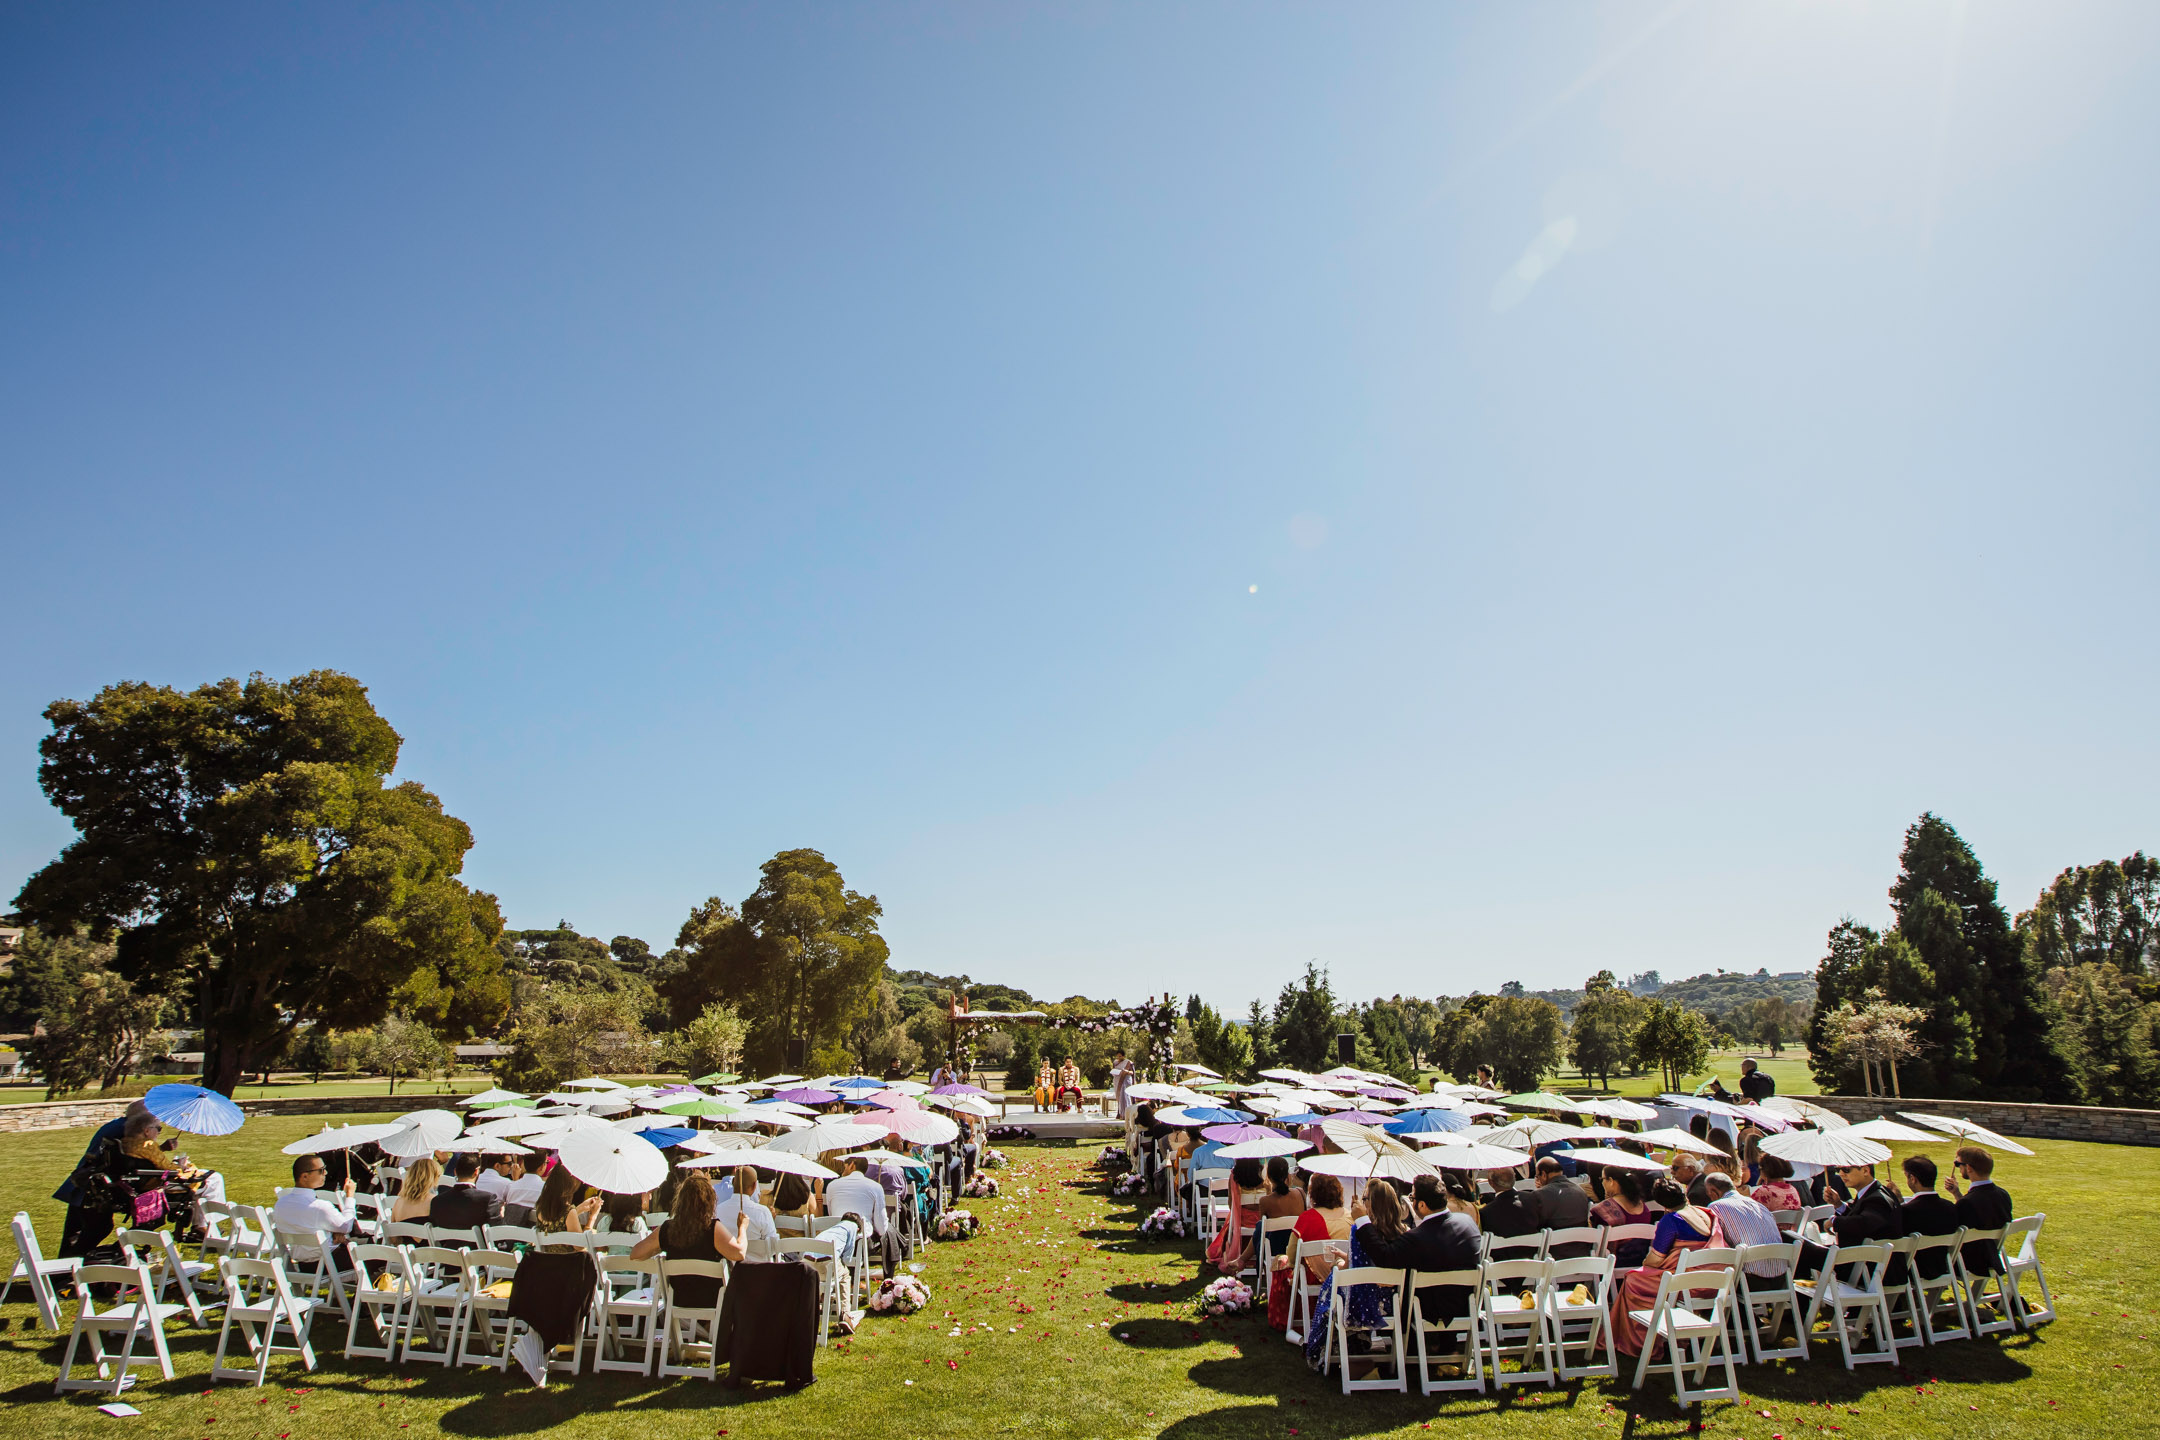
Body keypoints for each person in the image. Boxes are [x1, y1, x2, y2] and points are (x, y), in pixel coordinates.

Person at [1355, 1173, 1481, 1340]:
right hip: (1468, 1305)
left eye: (1412, 1197)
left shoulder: (1417, 1238)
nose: (1411, 1200)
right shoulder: (1468, 1222)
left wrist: (1362, 1221)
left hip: (1428, 1311)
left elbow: (1384, 1258)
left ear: (1421, 1205)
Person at [1610, 1179, 1724, 1357]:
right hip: (1715, 1281)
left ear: (1661, 1203)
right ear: (1684, 1193)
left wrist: (1645, 1264)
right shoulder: (1705, 1214)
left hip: (1686, 1285)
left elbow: (1655, 1259)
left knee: (1633, 1279)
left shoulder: (1672, 1220)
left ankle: (1640, 1343)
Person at [630, 1170, 750, 1306]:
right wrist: (742, 1228)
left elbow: (635, 1254)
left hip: (677, 1302)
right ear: (709, 1201)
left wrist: (658, 1247)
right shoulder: (713, 1228)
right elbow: (739, 1253)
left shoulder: (668, 1228)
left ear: (680, 1200)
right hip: (711, 1303)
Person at [1797, 1161, 1904, 1285]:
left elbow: (1863, 1223)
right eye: (1838, 1170)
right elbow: (1860, 1216)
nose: (1841, 1174)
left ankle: (1799, 1301)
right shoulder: (1876, 1192)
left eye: (1846, 1170)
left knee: (1799, 1247)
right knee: (1801, 1246)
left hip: (1866, 1267)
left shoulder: (1877, 1198)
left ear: (1865, 1171)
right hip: (1862, 1261)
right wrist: (1838, 1204)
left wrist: (1834, 1221)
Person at [1268, 1171, 1351, 1331]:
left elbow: (1291, 1257)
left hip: (1313, 1279)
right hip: (1346, 1276)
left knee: (1281, 1261)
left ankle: (1289, 1318)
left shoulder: (1307, 1218)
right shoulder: (1350, 1217)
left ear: (1313, 1194)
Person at [273, 1153, 359, 1275]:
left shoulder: (281, 1204)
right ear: (305, 1176)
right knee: (377, 1252)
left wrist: (334, 1231)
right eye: (321, 1170)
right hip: (327, 1264)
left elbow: (307, 1224)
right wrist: (350, 1197)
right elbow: (346, 1226)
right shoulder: (320, 1206)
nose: (326, 1173)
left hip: (302, 1265)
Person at [1702, 1173, 1786, 1282]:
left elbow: (1715, 1245)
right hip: (1781, 1276)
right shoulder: (1757, 1204)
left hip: (1751, 1279)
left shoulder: (1716, 1206)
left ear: (1714, 1192)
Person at [1945, 1145, 2013, 1280]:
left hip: (1967, 1261)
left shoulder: (1968, 1202)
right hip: (1991, 1256)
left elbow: (1954, 1228)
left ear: (1969, 1168)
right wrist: (1957, 1194)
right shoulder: (2003, 1194)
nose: (1958, 1168)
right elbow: (1979, 1215)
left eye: (1958, 1164)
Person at [1899, 1154, 1962, 1281]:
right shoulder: (1950, 1207)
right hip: (1942, 1267)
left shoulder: (1907, 1211)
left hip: (1913, 1270)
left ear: (1912, 1178)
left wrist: (1898, 1204)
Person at [826, 1155, 892, 1273]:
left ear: (852, 1165)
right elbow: (881, 1228)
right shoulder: (875, 1187)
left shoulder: (832, 1186)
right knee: (889, 1231)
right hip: (860, 1244)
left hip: (835, 1241)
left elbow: (831, 1215)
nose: (843, 1168)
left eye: (845, 1165)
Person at [1590, 1167, 1656, 1268]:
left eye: (1602, 1179)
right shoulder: (1643, 1207)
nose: (1602, 1183)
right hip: (1640, 1262)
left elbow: (1595, 1241)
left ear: (1611, 1181)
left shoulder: (1600, 1210)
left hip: (1612, 1265)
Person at [713, 1164, 781, 1256]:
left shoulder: (718, 1210)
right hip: (758, 1267)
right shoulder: (762, 1212)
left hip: (727, 1267)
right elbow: (774, 1247)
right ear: (754, 1186)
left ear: (733, 1183)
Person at [428, 1153, 504, 1231]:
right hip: (476, 1243)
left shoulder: (437, 1201)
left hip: (446, 1243)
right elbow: (497, 1233)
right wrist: (501, 1216)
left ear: (455, 1172)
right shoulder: (487, 1200)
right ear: (476, 1171)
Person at [531, 1163, 601, 1245]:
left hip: (544, 1255)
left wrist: (578, 1209)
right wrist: (592, 1217)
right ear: (571, 1185)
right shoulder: (569, 1212)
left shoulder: (541, 1206)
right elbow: (580, 1245)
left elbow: (557, 1224)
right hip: (565, 1257)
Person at [1530, 1157, 1592, 1245]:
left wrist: (1541, 1190)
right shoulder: (1580, 1191)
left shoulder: (1539, 1195)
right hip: (1581, 1248)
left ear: (1543, 1174)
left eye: (1537, 1176)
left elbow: (1535, 1226)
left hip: (1552, 1251)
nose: (1537, 1179)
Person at [1480, 1168, 1541, 1251]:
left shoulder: (1486, 1212)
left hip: (1502, 1260)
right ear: (1514, 1178)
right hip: (1533, 1256)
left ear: (1491, 1183)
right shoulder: (1532, 1199)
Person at [392, 1156, 443, 1223]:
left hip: (401, 1233)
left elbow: (392, 1229)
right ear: (434, 1177)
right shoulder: (435, 1202)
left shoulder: (398, 1203)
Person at [1110, 1049, 1137, 1119]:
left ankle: (1127, 1114)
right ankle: (1121, 1113)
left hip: (1126, 1081)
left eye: (1120, 1056)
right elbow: (1114, 1070)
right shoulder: (1115, 1063)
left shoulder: (1128, 1062)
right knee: (1120, 1098)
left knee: (1125, 1097)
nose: (1119, 1058)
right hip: (1117, 1081)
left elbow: (1132, 1073)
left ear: (1124, 1056)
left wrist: (1126, 1072)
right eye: (1117, 1056)